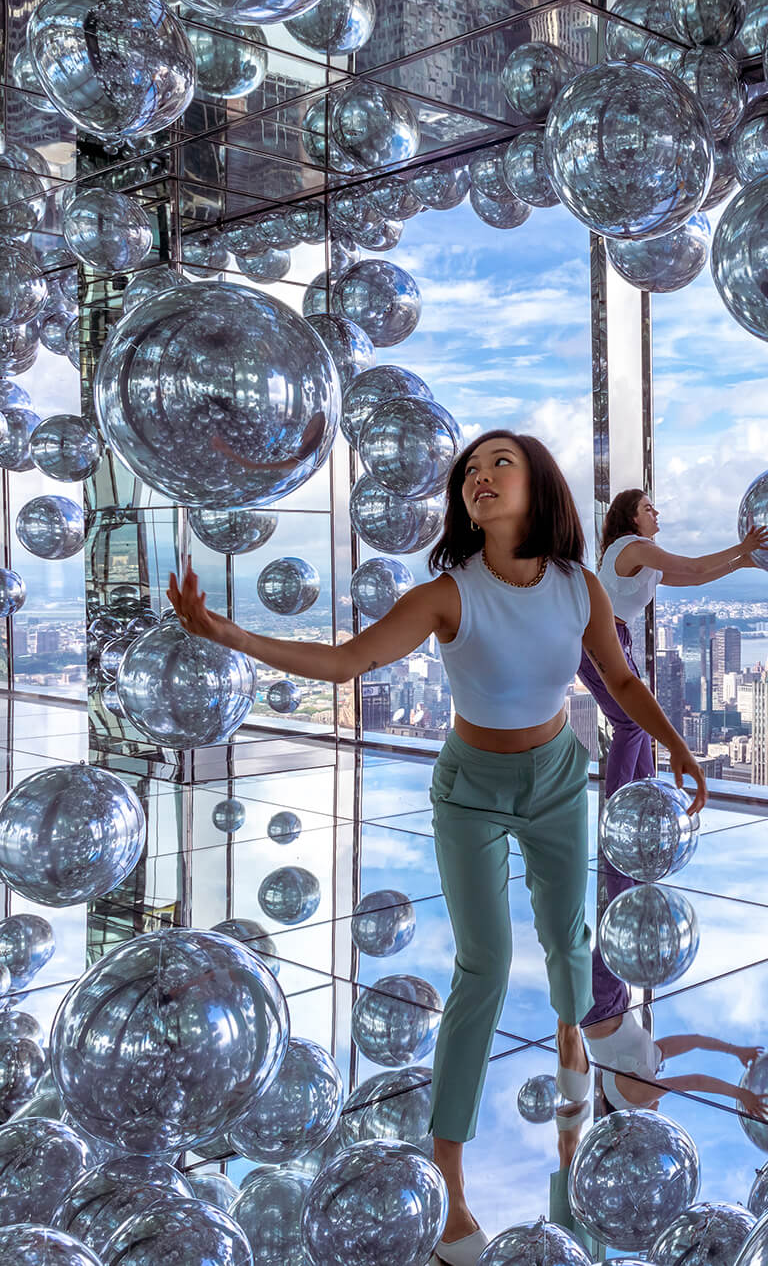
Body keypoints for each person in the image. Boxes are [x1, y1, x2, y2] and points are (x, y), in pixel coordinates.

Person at [168, 431, 707, 1266]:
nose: (478, 477)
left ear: (539, 486)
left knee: (569, 940)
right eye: (468, 471)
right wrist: (230, 635)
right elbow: (348, 661)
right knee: (483, 967)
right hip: (471, 789)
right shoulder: (449, 593)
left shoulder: (580, 588)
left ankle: (574, 1040)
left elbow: (623, 681)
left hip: (558, 778)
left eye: (500, 463)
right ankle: (450, 1177)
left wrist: (674, 743)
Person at [578, 489, 768, 1027]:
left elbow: (692, 576)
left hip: (611, 639)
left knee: (632, 725)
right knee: (632, 722)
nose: (657, 514)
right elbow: (686, 563)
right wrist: (742, 546)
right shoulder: (633, 546)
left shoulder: (638, 558)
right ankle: (622, 819)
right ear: (631, 518)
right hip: (603, 639)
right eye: (649, 507)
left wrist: (743, 557)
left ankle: (639, 810)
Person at [584, 1006, 768, 1122]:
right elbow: (695, 1041)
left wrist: (740, 1094)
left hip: (601, 1008)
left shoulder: (632, 1099)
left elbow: (693, 1082)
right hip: (614, 1003)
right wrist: (736, 1050)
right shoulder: (647, 1064)